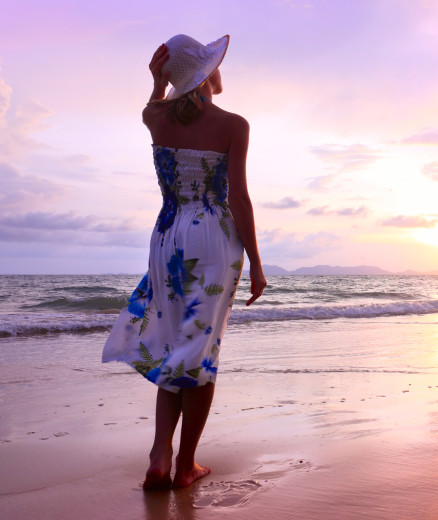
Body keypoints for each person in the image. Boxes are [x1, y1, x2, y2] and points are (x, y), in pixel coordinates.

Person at [102, 34, 267, 490]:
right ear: (206, 74)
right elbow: (239, 198)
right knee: (199, 356)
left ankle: (159, 455)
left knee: (178, 346)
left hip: (166, 235)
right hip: (212, 239)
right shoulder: (234, 124)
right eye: (214, 62)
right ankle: (185, 465)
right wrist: (255, 259)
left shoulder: (154, 116)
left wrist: (157, 84)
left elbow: (153, 105)